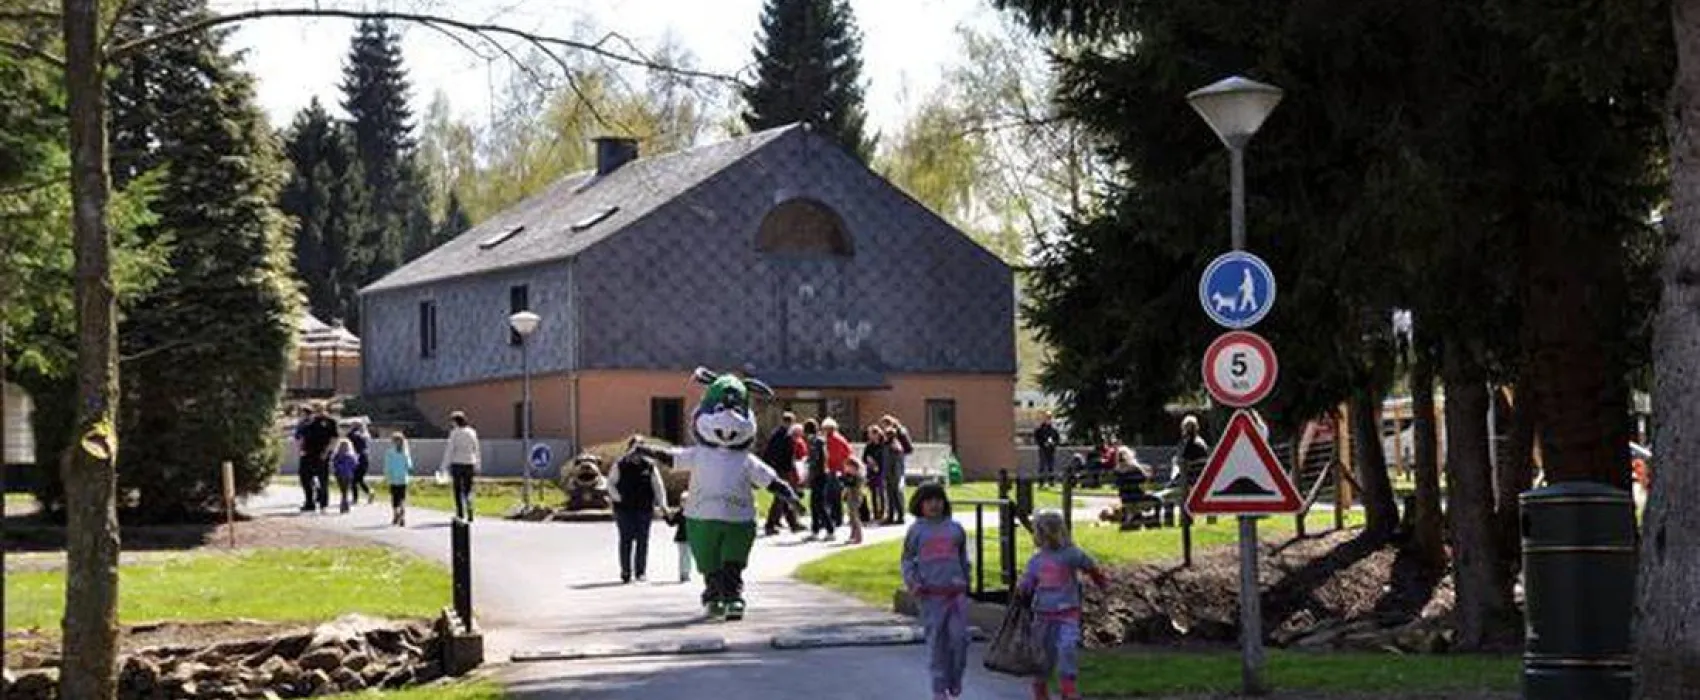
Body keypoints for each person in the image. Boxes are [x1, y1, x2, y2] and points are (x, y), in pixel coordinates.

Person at [1018, 511, 1109, 700]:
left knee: (1067, 648)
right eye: (1043, 534)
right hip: (1043, 614)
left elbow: (1089, 565)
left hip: (1068, 612)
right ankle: (1040, 687)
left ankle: (1068, 687)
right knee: (1043, 653)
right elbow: (1029, 580)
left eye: (1050, 533)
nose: (1047, 539)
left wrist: (1100, 581)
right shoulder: (1036, 560)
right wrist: (1023, 587)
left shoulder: (1070, 554)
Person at [901, 483, 971, 700]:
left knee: (960, 640)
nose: (934, 504)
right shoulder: (916, 531)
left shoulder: (955, 529)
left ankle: (955, 678)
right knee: (937, 644)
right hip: (931, 596)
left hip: (956, 594)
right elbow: (907, 560)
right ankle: (939, 689)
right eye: (929, 500)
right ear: (920, 504)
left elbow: (964, 559)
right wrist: (913, 582)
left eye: (938, 500)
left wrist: (966, 581)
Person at [608, 446, 671, 583]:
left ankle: (640, 572)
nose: (637, 456)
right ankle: (626, 572)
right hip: (624, 509)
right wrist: (617, 497)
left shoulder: (649, 466)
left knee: (642, 540)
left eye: (640, 453)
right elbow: (611, 484)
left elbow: (658, 486)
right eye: (635, 452)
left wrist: (663, 504)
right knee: (626, 540)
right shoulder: (620, 464)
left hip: (644, 508)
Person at [761, 412, 804, 536]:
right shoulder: (786, 436)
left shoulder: (775, 434)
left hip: (776, 468)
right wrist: (790, 469)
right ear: (791, 422)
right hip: (783, 469)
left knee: (785, 496)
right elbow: (787, 455)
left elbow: (768, 452)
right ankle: (770, 524)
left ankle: (793, 523)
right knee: (781, 497)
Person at [294, 404, 339, 513]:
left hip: (322, 454)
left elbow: (334, 438)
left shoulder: (330, 422)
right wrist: (301, 450)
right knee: (305, 477)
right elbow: (302, 437)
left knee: (323, 479)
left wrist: (327, 452)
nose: (318, 411)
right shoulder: (309, 422)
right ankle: (309, 502)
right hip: (308, 453)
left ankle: (323, 504)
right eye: (316, 409)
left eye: (319, 408)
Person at [438, 411, 481, 521]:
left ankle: (460, 513)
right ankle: (470, 507)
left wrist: (444, 466)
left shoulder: (454, 433)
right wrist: (477, 464)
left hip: (457, 463)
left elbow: (450, 450)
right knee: (468, 489)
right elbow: (476, 449)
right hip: (469, 463)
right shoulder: (472, 432)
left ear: (455, 422)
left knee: (457, 489)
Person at [804, 419, 839, 541]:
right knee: (814, 504)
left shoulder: (815, 442)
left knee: (819, 504)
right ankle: (815, 530)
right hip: (821, 475)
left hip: (819, 475)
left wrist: (808, 466)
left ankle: (830, 530)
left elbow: (816, 460)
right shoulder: (819, 441)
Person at [881, 415, 914, 525]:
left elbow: (907, 450)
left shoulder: (896, 444)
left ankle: (900, 515)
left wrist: (895, 474)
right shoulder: (887, 445)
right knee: (890, 493)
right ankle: (891, 515)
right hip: (890, 471)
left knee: (896, 492)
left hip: (895, 471)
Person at [384, 432, 414, 527]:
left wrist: (387, 475)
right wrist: (409, 471)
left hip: (393, 478)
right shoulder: (405, 453)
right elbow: (409, 465)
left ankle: (396, 514)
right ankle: (402, 514)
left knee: (395, 498)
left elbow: (387, 465)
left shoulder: (390, 453)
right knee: (402, 498)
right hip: (402, 479)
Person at [863, 425, 890, 523]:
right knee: (873, 492)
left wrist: (878, 466)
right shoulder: (869, 445)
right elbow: (864, 457)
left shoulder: (883, 445)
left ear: (877, 434)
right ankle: (875, 513)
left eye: (871, 434)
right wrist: (869, 461)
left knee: (881, 492)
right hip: (871, 471)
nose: (869, 436)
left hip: (881, 471)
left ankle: (882, 512)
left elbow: (885, 459)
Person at [664, 493, 692, 583]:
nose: (684, 503)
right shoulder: (679, 513)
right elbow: (671, 523)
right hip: (681, 538)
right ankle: (682, 574)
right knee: (682, 556)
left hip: (690, 538)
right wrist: (665, 516)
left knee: (688, 556)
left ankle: (687, 573)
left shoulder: (693, 513)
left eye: (686, 501)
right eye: (682, 501)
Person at [347, 419, 375, 505]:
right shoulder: (364, 434)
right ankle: (369, 492)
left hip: (356, 458)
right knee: (359, 479)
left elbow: (349, 444)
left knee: (354, 480)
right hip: (364, 458)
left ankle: (355, 498)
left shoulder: (352, 434)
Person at [842, 457, 867, 544]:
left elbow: (852, 484)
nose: (847, 469)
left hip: (855, 497)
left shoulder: (858, 476)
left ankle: (859, 537)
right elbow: (847, 485)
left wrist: (846, 478)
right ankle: (853, 535)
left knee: (855, 517)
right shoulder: (850, 475)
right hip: (851, 496)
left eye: (848, 467)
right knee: (851, 517)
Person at [332, 438, 359, 514]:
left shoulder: (351, 456)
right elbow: (334, 464)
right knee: (343, 490)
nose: (344, 447)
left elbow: (355, 464)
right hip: (339, 474)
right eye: (342, 446)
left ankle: (344, 505)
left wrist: (350, 468)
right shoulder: (337, 455)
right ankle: (344, 504)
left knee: (345, 490)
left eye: (345, 446)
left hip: (348, 474)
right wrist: (339, 467)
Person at [1034, 412, 1061, 486]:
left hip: (1051, 450)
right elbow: (1037, 439)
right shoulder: (1040, 429)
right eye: (1047, 418)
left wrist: (1053, 444)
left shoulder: (1053, 430)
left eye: (1049, 418)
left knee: (1051, 466)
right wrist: (1043, 443)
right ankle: (1041, 482)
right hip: (1043, 449)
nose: (1048, 420)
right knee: (1042, 466)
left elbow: (1057, 439)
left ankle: (1051, 481)